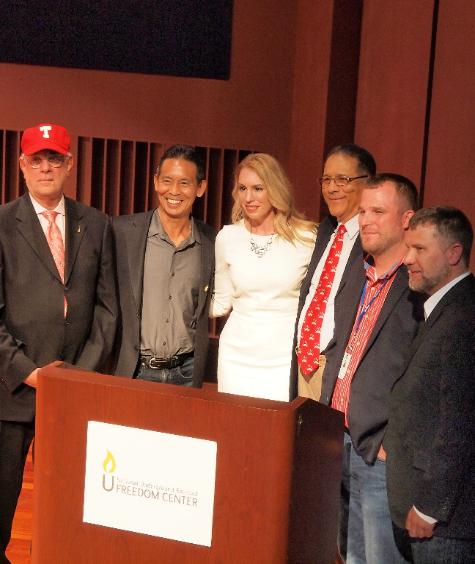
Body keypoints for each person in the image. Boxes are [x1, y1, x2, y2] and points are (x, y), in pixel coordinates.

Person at [0, 123, 117, 563]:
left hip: (73, 395)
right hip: (12, 392)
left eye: (54, 159)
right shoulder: (1, 223)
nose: (45, 168)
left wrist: (77, 377)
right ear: (22, 165)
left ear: (70, 164)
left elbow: (107, 309)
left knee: (69, 510)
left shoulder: (96, 223)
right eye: (36, 159)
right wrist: (28, 371)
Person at [321, 174, 422, 563]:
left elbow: (424, 378)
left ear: (407, 220)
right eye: (363, 211)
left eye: (378, 211)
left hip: (379, 452)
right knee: (346, 555)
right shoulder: (357, 272)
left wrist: (392, 443)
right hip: (339, 439)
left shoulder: (418, 285)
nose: (366, 220)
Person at [385, 207, 475, 564]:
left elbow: (460, 425)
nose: (408, 259)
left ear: (453, 253)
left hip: (446, 524)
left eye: (420, 249)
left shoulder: (464, 318)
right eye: (408, 248)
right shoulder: (443, 309)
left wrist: (430, 506)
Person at [211, 153, 316, 401]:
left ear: (275, 189)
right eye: (243, 188)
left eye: (258, 188)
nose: (248, 198)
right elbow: (222, 302)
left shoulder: (307, 238)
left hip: (283, 356)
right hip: (236, 354)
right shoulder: (227, 237)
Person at [112, 145, 216, 387]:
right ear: (156, 182)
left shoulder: (212, 242)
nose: (174, 191)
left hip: (187, 373)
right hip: (134, 372)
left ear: (200, 188)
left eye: (184, 183)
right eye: (167, 181)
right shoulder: (122, 232)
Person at [291, 143, 376, 402]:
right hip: (304, 364)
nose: (331, 188)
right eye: (326, 180)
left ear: (368, 182)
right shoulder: (326, 230)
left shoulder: (373, 240)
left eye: (342, 180)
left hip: (339, 370)